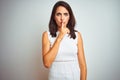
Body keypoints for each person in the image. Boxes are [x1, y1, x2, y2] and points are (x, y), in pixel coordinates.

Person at [42, 1, 87, 80]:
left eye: (65, 14)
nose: (62, 18)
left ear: (69, 16)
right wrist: (60, 37)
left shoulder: (77, 36)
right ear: (53, 17)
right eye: (58, 14)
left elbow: (83, 66)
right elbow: (47, 63)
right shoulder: (46, 35)